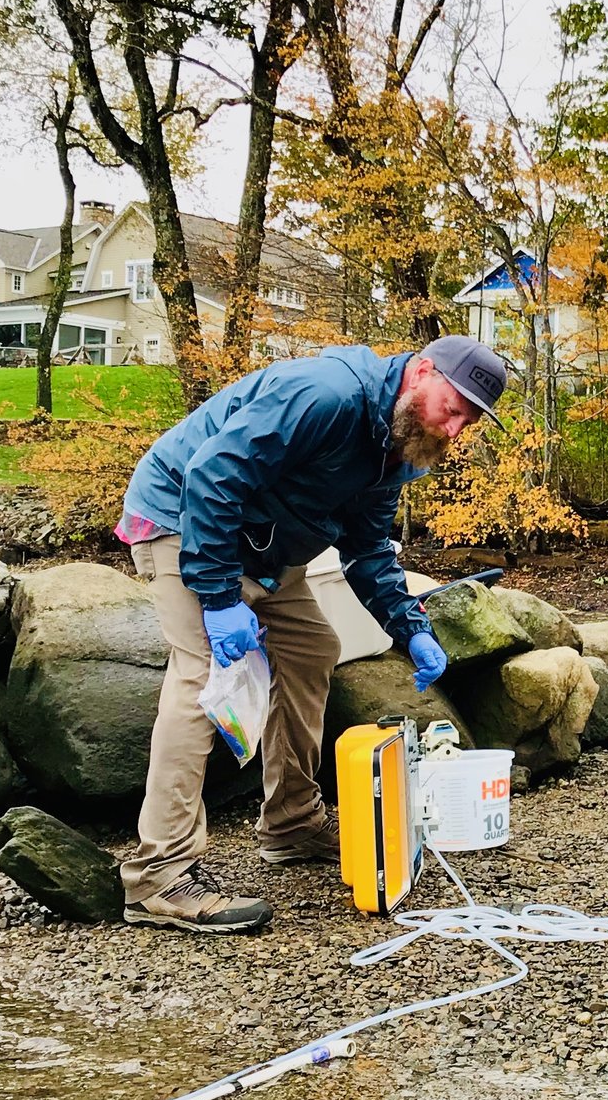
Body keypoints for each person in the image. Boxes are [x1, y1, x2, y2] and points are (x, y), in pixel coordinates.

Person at [115, 336, 506, 932]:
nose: (453, 430)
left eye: (467, 422)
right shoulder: (327, 396)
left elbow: (369, 547)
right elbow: (212, 476)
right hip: (181, 517)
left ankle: (291, 823)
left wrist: (410, 628)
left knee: (311, 647)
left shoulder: (395, 443)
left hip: (264, 545)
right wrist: (219, 599)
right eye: (452, 409)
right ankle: (158, 876)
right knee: (203, 675)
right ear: (421, 371)